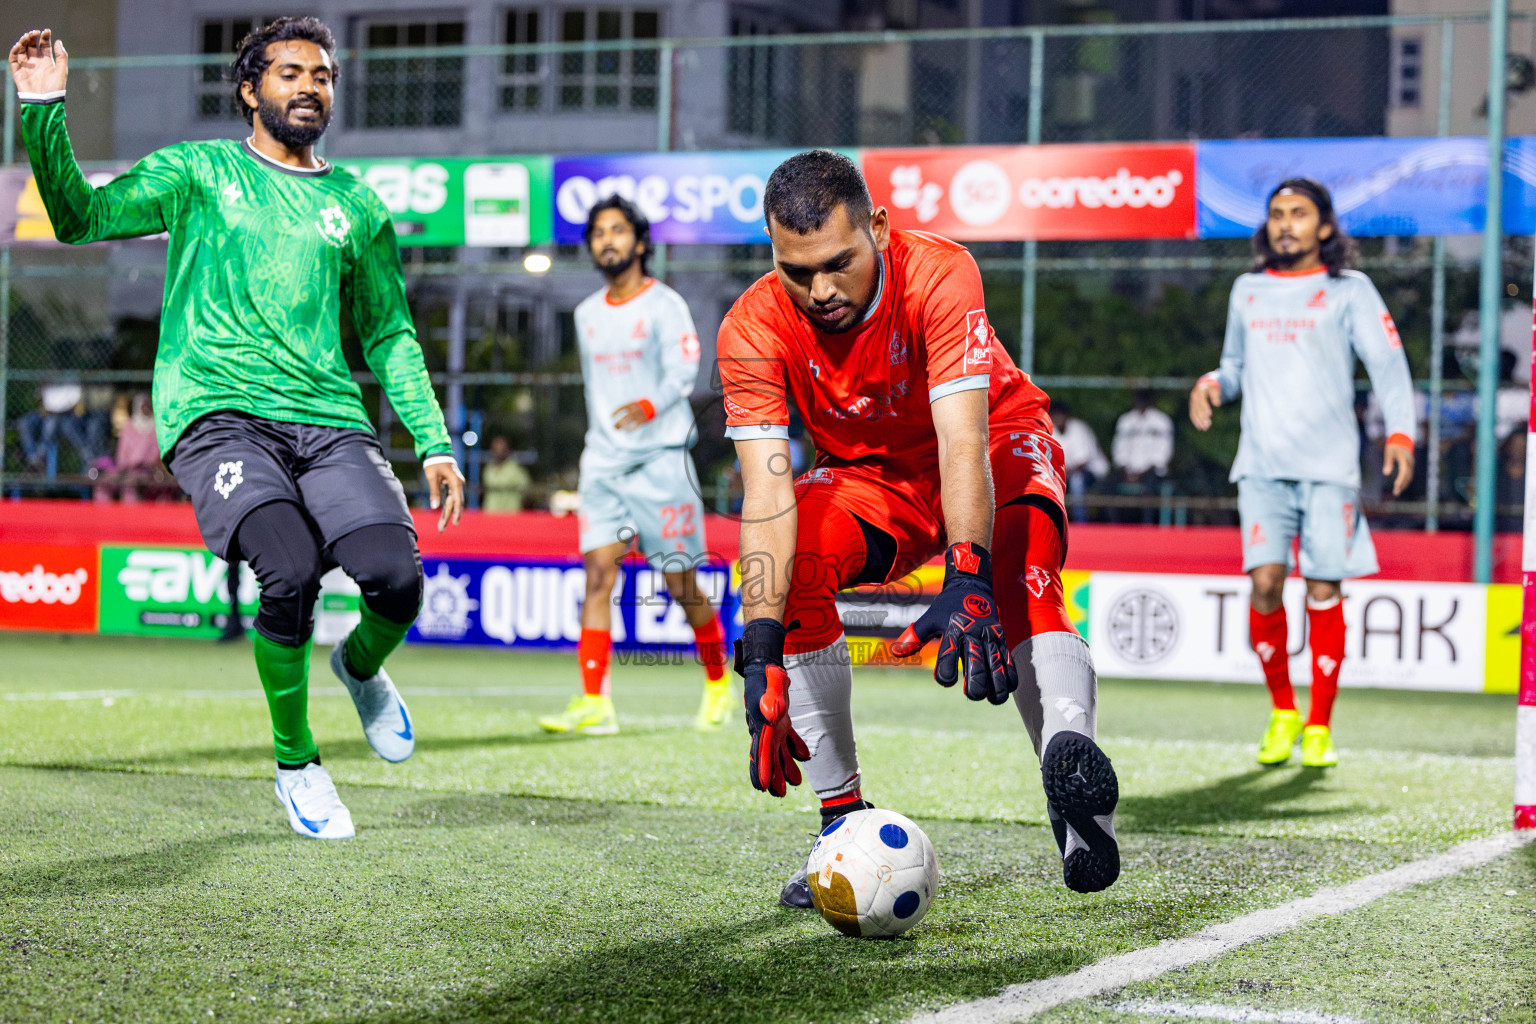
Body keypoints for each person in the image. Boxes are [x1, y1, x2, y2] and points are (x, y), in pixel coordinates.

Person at [11, 21, 465, 839]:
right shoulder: (198, 170)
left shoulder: (356, 205)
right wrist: (44, 106)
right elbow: (78, 218)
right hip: (217, 415)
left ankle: (358, 668)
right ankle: (297, 765)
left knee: (395, 579)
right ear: (251, 89)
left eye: (322, 75)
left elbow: (390, 331)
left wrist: (432, 437)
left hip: (328, 420)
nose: (310, 86)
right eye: (290, 73)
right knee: (286, 572)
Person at [717, 150, 1119, 904]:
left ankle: (1078, 804)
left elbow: (963, 439)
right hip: (876, 479)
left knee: (1017, 578)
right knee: (795, 561)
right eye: (796, 271)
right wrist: (761, 647)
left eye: (838, 262)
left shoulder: (940, 271)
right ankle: (840, 827)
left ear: (878, 226)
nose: (820, 290)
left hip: (992, 439)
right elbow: (767, 496)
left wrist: (966, 574)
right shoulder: (751, 325)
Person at [1189, 178, 1414, 770]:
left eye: (1299, 213)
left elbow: (1389, 366)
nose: (1286, 223)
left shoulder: (1350, 290)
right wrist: (1213, 384)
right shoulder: (1248, 290)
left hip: (1330, 470)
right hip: (1261, 466)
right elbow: (1234, 367)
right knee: (1265, 582)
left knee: (1323, 587)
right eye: (1277, 214)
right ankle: (1283, 710)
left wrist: (1401, 433)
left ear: (1325, 226)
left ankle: (1320, 725)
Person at [537, 194, 731, 736]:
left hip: (661, 462)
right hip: (603, 463)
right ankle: (595, 703)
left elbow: (686, 370)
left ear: (641, 243)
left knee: (680, 582)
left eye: (618, 230)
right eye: (599, 232)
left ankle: (719, 682)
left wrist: (649, 406)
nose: (607, 240)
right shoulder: (585, 314)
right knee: (598, 575)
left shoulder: (665, 306)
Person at [1110, 388, 1173, 522]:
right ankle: (1114, 525)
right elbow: (1119, 449)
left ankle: (1147, 525)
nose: (1141, 402)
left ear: (1151, 401)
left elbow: (1163, 453)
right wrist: (1125, 470)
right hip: (1127, 470)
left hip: (1152, 471)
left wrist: (1143, 472)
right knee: (1106, 485)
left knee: (1149, 488)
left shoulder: (1162, 421)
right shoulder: (1125, 420)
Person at [1050, 401, 1108, 522]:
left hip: (1091, 471)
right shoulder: (1051, 430)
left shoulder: (1078, 428)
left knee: (1077, 481)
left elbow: (1083, 461)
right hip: (1067, 473)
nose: (1058, 418)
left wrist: (1062, 472)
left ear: (1066, 415)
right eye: (1055, 415)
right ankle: (1054, 520)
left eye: (1060, 414)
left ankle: (1080, 520)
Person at [481, 434, 531, 513]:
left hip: (511, 513)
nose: (498, 452)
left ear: (507, 450)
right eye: (495, 449)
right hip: (491, 512)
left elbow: (526, 492)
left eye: (501, 449)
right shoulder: (489, 468)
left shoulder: (516, 469)